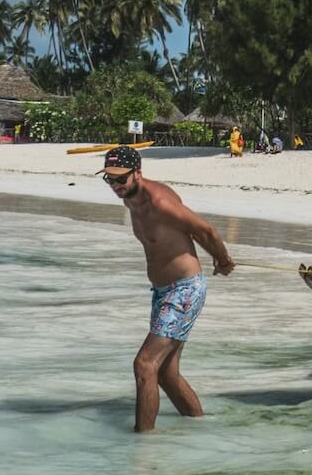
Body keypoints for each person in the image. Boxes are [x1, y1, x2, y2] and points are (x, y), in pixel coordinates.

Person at [97, 146, 235, 433]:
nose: (116, 186)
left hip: (184, 291)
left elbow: (205, 230)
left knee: (144, 365)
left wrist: (222, 260)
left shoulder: (159, 202)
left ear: (138, 173)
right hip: (163, 292)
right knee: (166, 373)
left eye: (121, 179)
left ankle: (142, 449)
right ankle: (199, 428)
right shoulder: (131, 199)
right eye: (109, 179)